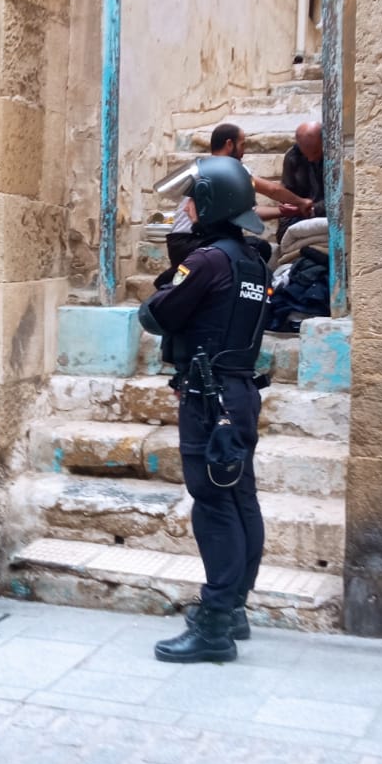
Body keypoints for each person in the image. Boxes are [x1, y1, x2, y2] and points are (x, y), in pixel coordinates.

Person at [139, 155, 270, 664]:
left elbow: (157, 312)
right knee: (239, 498)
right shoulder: (254, 262)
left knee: (213, 503)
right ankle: (234, 608)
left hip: (209, 397)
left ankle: (214, 623)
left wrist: (165, 296)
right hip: (238, 392)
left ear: (213, 203)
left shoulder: (210, 260)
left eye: (194, 197)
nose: (187, 205)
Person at [165, 122, 299, 271]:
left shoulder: (204, 167)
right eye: (242, 145)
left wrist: (282, 211)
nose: (243, 152)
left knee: (257, 246)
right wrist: (302, 202)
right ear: (229, 144)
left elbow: (247, 212)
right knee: (256, 249)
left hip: (178, 245)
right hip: (194, 242)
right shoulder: (229, 170)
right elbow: (272, 190)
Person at [277, 120, 325, 240]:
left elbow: (339, 199)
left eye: (315, 152)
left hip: (325, 212)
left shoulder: (333, 157)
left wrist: (314, 209)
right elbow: (287, 194)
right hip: (301, 213)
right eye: (306, 154)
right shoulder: (293, 157)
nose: (311, 158)